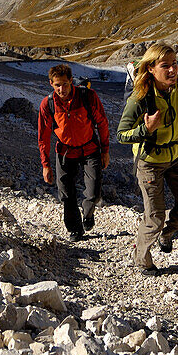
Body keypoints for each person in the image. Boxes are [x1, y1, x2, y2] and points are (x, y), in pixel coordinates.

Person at [117, 43, 178, 276]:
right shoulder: (140, 96)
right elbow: (121, 134)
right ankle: (142, 259)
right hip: (150, 162)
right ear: (151, 68)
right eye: (166, 66)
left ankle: (167, 233)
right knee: (154, 218)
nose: (173, 70)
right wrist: (145, 129)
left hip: (177, 157)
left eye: (175, 64)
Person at [37, 63, 110, 241]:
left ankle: (88, 212)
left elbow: (102, 123)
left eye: (65, 84)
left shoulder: (87, 96)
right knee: (66, 194)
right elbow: (43, 136)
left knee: (94, 193)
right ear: (51, 84)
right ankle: (75, 229)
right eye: (57, 85)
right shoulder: (48, 104)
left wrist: (105, 150)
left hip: (90, 149)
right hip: (65, 152)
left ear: (71, 81)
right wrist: (46, 165)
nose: (62, 89)